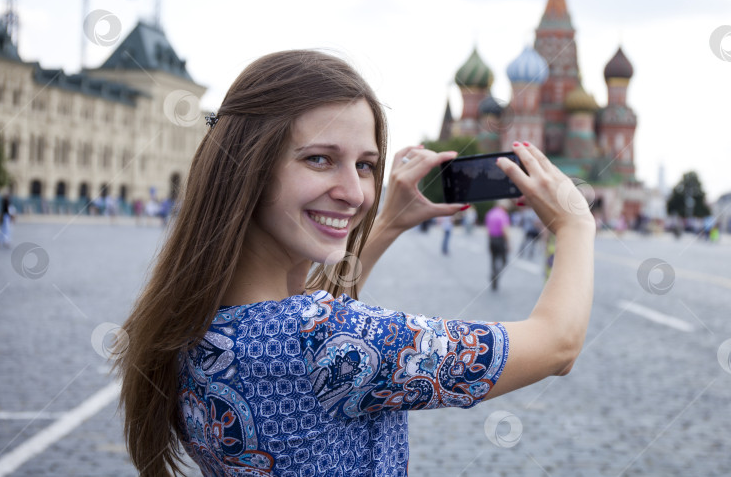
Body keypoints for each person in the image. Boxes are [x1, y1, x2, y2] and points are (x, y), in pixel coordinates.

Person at [114, 51, 595, 476]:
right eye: (320, 159)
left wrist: (387, 224)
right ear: (250, 167)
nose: (354, 193)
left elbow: (308, 332)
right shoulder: (327, 340)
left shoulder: (190, 320)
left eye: (365, 165)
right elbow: (558, 344)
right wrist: (575, 225)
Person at [485, 200, 511, 291]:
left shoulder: (490, 213)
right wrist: (508, 244)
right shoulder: (503, 215)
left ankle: (493, 273)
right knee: (504, 261)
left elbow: (487, 230)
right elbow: (505, 230)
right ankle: (496, 275)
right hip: (500, 239)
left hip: (492, 239)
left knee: (493, 259)